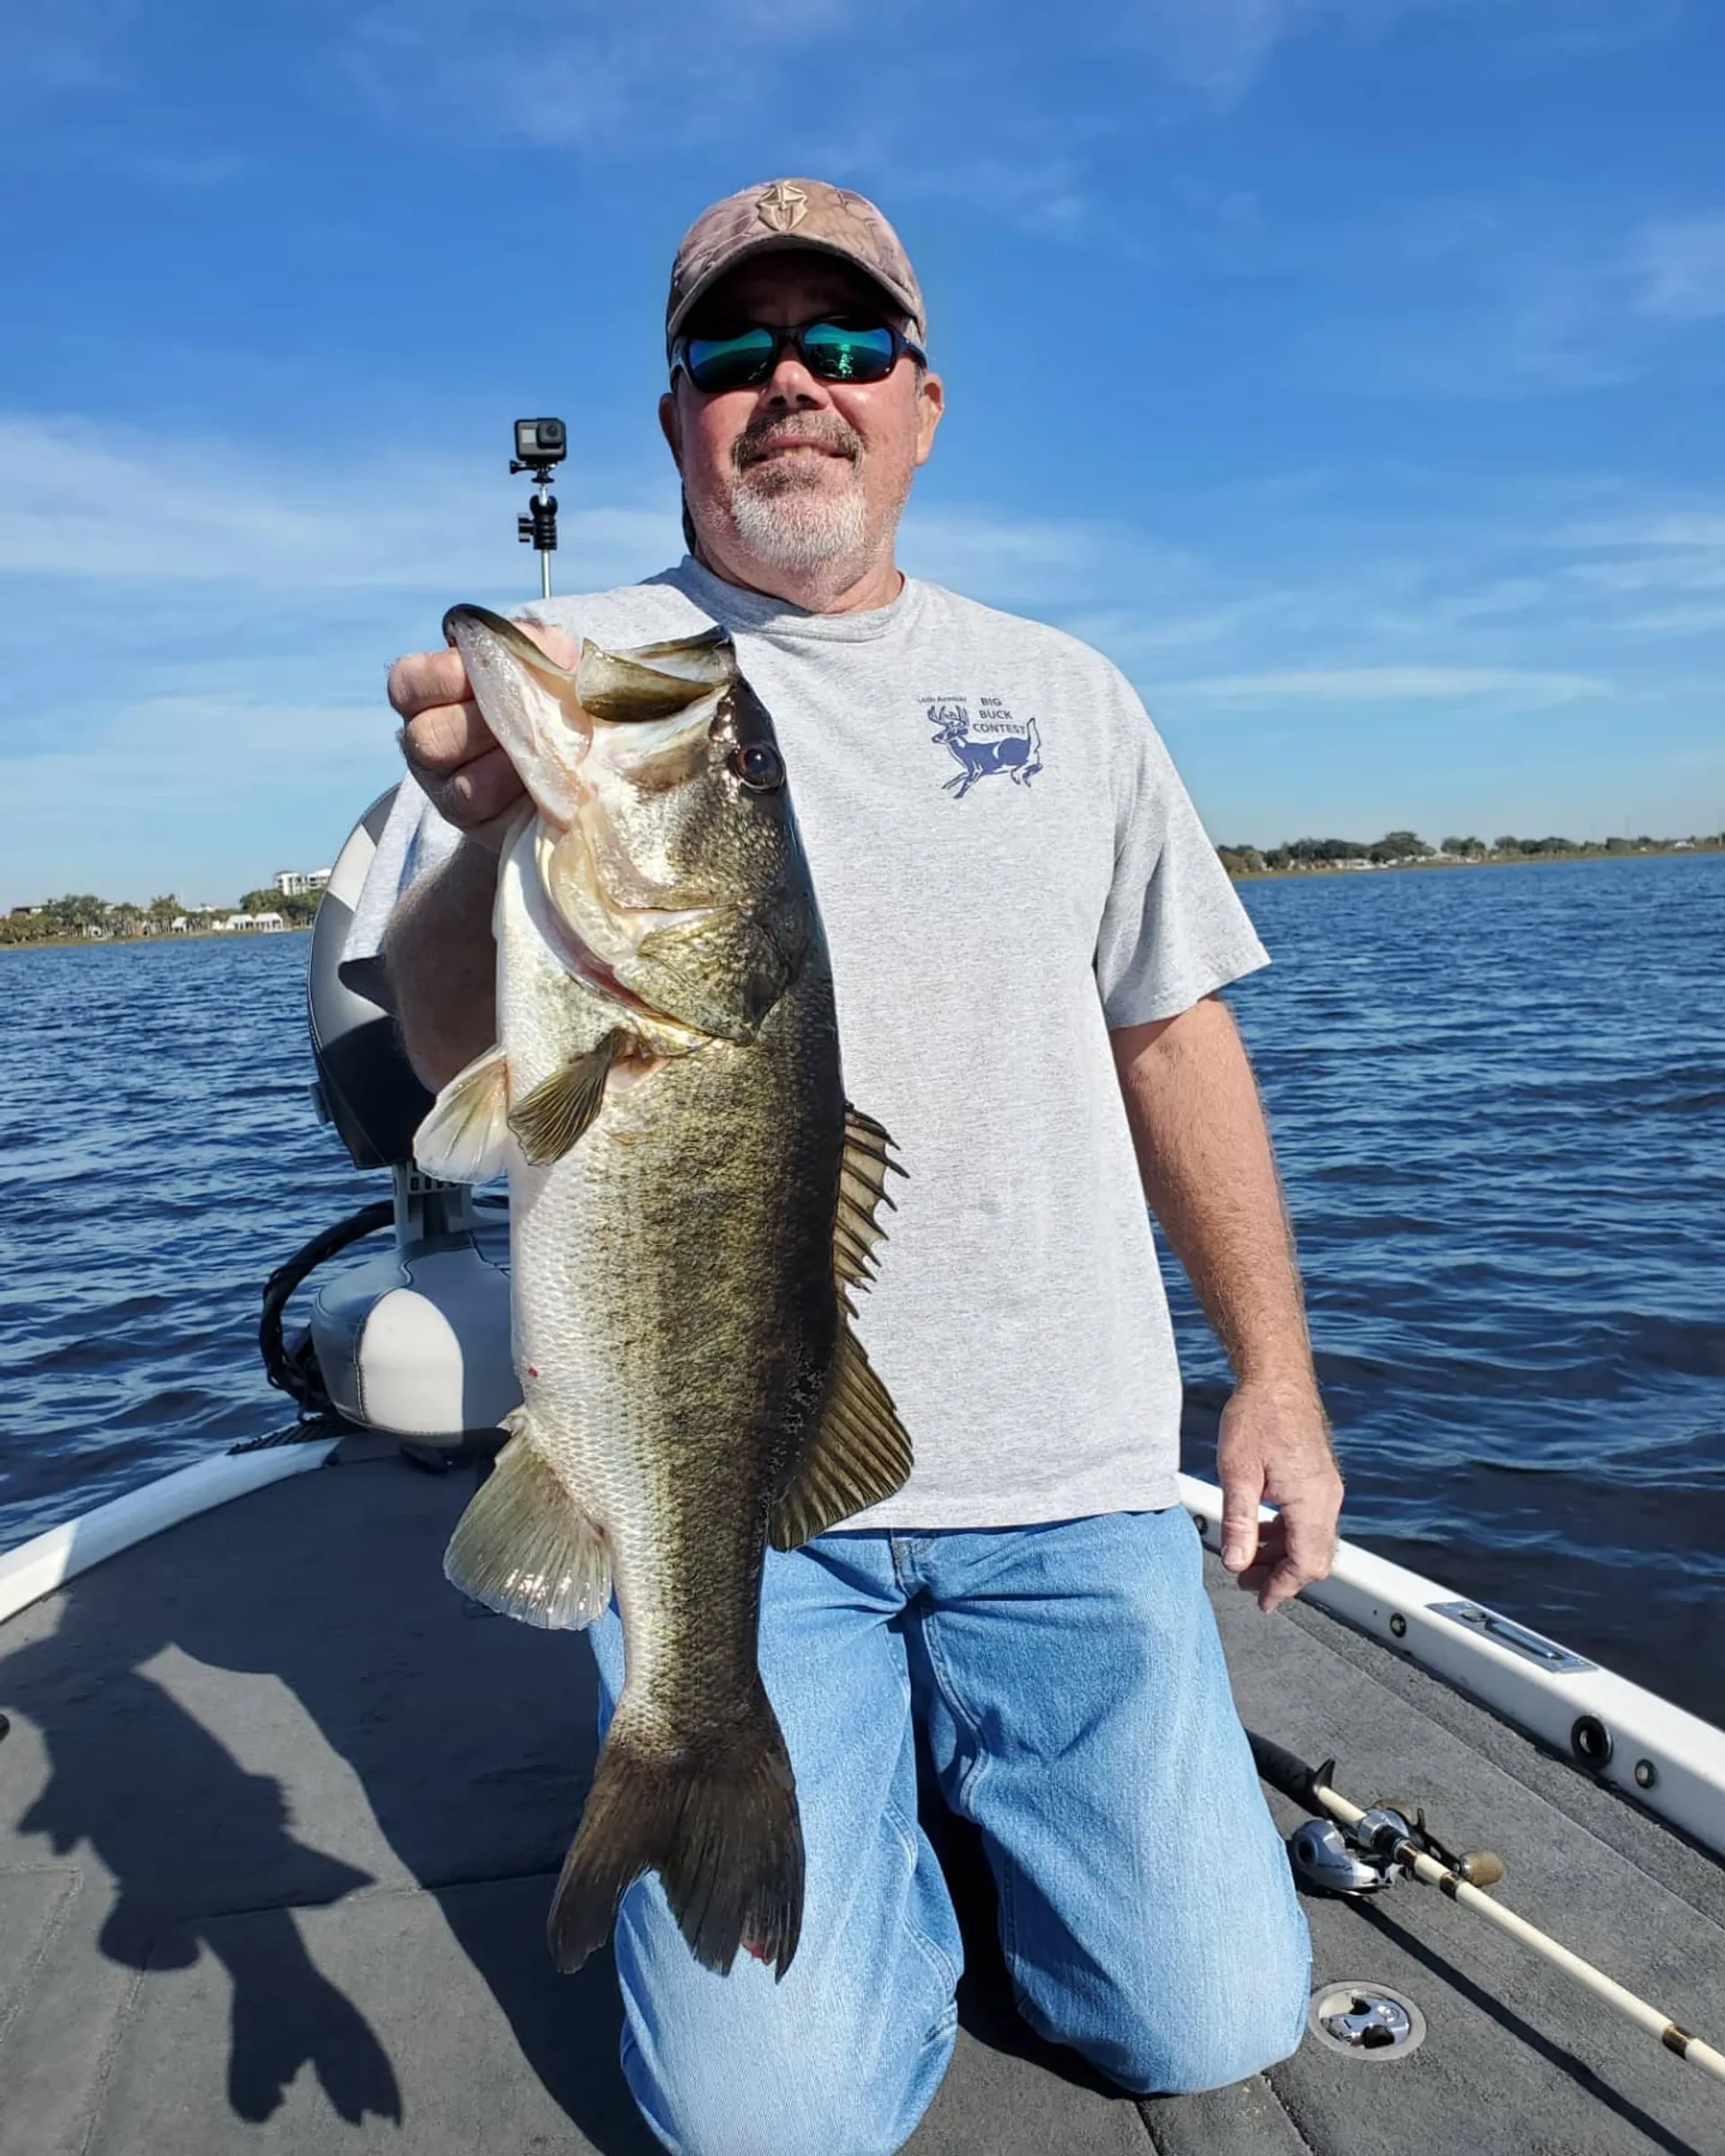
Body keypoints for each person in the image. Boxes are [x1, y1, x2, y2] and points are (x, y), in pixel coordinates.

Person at [359, 177, 1343, 2156]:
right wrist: (484, 833)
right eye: (734, 351)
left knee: (1213, 2016)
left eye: (844, 343)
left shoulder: (1070, 696)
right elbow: (456, 1049)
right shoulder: (585, 676)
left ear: (921, 401)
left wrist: (1281, 1382)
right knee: (766, 2131)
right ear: (675, 424)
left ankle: (954, 1819)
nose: (789, 383)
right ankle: (817, 1792)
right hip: (744, 1530)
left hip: (1068, 1481)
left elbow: (1175, 1036)